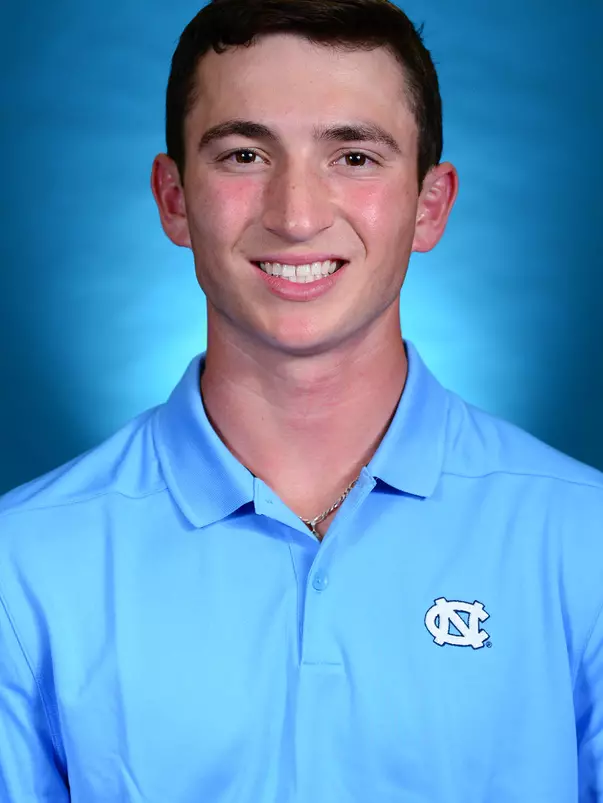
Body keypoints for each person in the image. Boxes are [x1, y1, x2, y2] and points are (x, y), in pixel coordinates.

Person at [0, 0, 601, 800]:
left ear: (430, 204)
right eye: (245, 154)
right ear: (173, 198)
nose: (295, 215)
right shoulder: (22, 567)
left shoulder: (583, 542)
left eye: (353, 157)